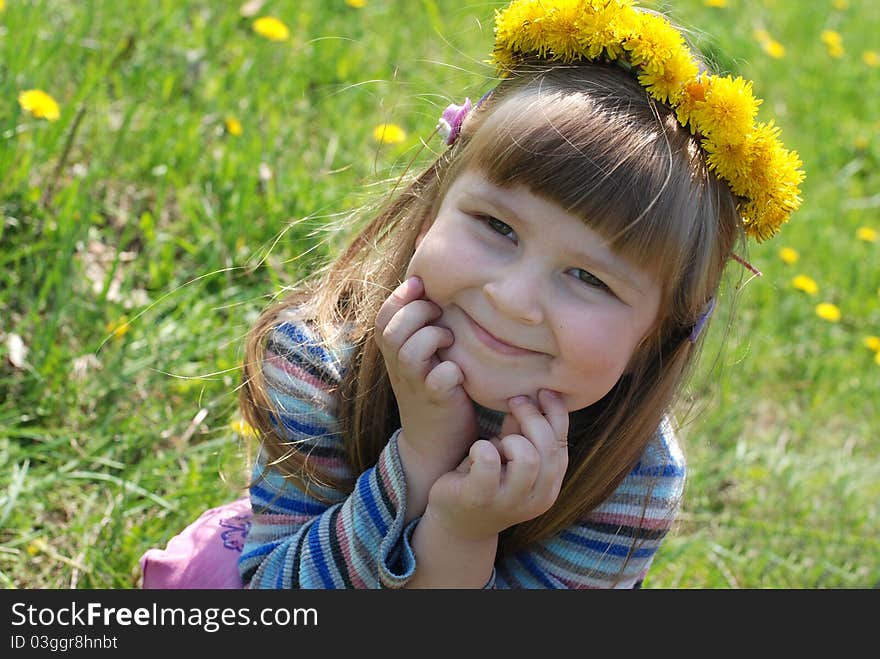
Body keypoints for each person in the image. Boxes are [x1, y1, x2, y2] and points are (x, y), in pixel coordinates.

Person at [140, 0, 803, 589]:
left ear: (657, 334)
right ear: (434, 204)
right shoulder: (318, 361)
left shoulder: (628, 481)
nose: (513, 297)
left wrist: (462, 532)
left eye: (589, 278)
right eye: (496, 226)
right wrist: (419, 460)